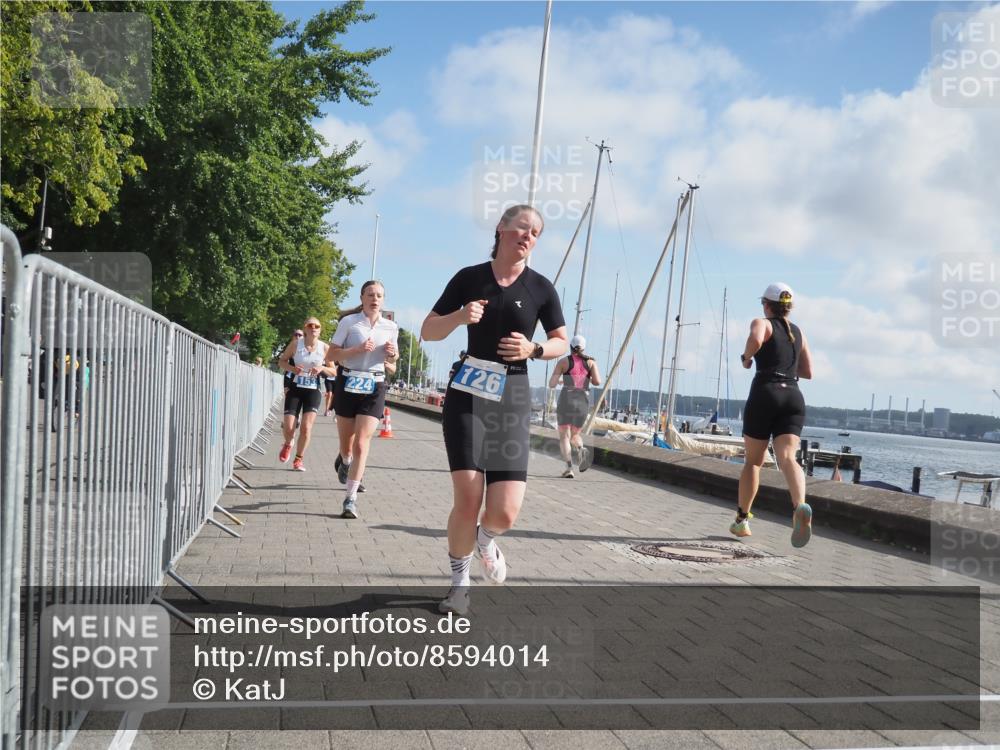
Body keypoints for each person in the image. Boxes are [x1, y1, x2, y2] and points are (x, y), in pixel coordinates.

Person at [421, 204, 567, 616]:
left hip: (512, 396)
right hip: (468, 392)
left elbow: (561, 341)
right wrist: (458, 316)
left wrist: (534, 349)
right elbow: (428, 331)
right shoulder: (470, 278)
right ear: (502, 228)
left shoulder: (541, 287)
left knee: (504, 510)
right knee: (468, 498)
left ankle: (486, 539)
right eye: (523, 228)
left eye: (536, 233)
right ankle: (459, 583)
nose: (529, 237)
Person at [732, 282, 814, 547]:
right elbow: (808, 372)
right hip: (793, 395)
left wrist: (746, 358)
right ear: (788, 308)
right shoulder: (799, 332)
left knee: (753, 462)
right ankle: (799, 506)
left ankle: (742, 519)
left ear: (767, 305)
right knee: (789, 458)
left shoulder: (763, 323)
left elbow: (756, 340)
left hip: (766, 392)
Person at [326, 281, 399, 520]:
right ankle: (344, 461)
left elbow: (393, 363)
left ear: (383, 300)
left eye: (379, 295)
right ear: (362, 297)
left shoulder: (391, 327)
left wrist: (392, 357)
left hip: (374, 385)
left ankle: (350, 499)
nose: (374, 299)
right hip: (348, 382)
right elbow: (331, 355)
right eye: (370, 294)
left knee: (361, 444)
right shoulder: (349, 322)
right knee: (347, 446)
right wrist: (355, 350)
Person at [277, 318, 330, 471]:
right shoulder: (295, 344)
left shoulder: (324, 348)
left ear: (320, 330)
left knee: (306, 427)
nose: (313, 328)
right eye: (310, 325)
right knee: (288, 426)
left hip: (313, 390)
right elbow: (281, 361)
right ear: (305, 329)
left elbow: (334, 370)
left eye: (317, 326)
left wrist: (321, 368)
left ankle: (298, 459)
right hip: (296, 389)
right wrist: (293, 370)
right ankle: (288, 443)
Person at [548, 334, 601, 478]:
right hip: (582, 401)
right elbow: (597, 382)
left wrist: (561, 380)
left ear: (570, 347)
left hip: (566, 400)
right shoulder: (590, 362)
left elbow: (551, 384)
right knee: (575, 435)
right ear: (584, 348)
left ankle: (569, 468)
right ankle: (581, 448)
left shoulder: (563, 362)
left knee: (564, 436)